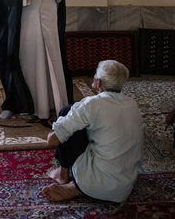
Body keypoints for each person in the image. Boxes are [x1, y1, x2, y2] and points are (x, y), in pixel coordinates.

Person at [42, 60, 143, 203]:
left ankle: (67, 179)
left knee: (67, 112)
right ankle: (76, 182)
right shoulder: (132, 104)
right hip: (124, 187)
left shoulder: (91, 104)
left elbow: (52, 141)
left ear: (98, 82)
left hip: (95, 185)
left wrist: (59, 126)